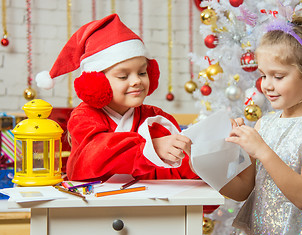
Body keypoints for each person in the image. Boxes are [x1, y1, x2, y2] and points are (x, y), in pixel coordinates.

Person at [221, 16, 302, 235]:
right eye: (263, 75)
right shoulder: (264, 123)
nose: (267, 85)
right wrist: (209, 161)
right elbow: (242, 191)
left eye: (278, 76)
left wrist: (262, 150)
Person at [35, 14, 198, 182]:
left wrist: (195, 163)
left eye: (142, 73)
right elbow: (93, 156)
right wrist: (150, 147)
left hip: (147, 205)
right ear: (97, 82)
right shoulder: (83, 117)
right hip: (94, 206)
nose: (136, 81)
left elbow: (174, 170)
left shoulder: (156, 118)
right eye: (123, 76)